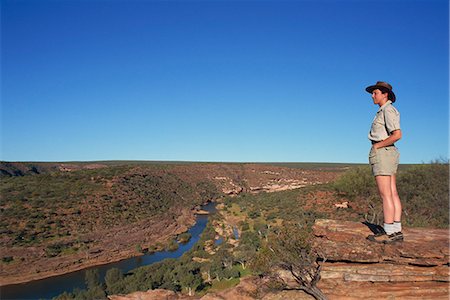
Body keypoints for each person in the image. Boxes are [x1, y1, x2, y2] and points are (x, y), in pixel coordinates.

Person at [365, 81, 403, 244]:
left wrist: (378, 146)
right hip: (388, 152)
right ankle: (396, 230)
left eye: (376, 93)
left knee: (386, 194)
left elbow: (397, 134)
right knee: (392, 192)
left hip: (384, 152)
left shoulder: (387, 110)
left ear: (385, 94)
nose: (373, 96)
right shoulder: (386, 110)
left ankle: (388, 231)